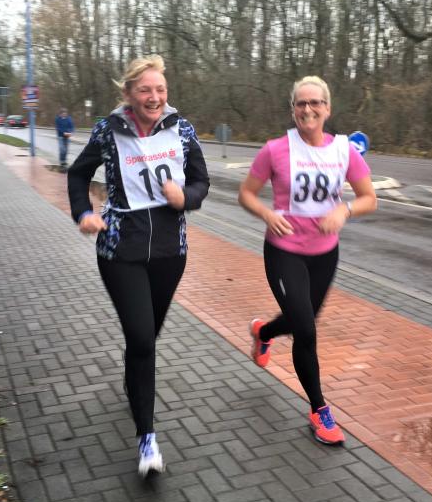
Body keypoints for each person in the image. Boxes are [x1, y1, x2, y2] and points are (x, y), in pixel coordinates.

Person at [68, 55, 209, 476]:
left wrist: (186, 197)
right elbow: (78, 175)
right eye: (145, 89)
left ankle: (134, 375)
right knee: (144, 339)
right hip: (120, 251)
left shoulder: (182, 129)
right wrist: (83, 213)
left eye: (160, 89)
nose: (154, 96)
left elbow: (201, 181)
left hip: (170, 252)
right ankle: (146, 437)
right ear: (128, 93)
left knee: (145, 337)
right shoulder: (107, 131)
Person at [238, 76, 377, 445]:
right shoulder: (275, 150)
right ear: (293, 110)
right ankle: (319, 410)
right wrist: (267, 214)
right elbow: (246, 194)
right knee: (306, 330)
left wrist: (344, 211)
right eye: (301, 103)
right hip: (283, 252)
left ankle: (264, 333)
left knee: (303, 320)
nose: (308, 109)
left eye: (315, 102)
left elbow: (369, 198)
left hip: (324, 255)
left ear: (327, 109)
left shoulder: (345, 151)